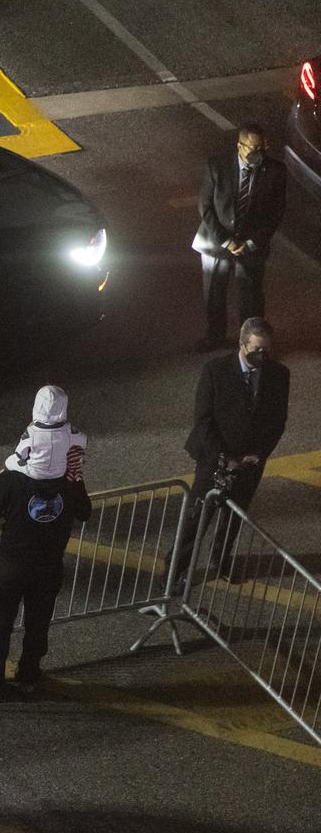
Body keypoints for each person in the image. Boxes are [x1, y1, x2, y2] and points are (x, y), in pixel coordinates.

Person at [0, 418, 95, 701]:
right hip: (49, 565)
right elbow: (85, 512)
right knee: (38, 625)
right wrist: (76, 479)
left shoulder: (12, 479)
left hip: (12, 566)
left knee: (0, 624)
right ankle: (29, 676)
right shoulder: (69, 482)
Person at [176, 318, 290, 583]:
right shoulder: (216, 371)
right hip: (215, 460)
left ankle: (221, 561)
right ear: (242, 344)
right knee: (198, 518)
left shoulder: (279, 374)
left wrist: (258, 453)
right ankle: (175, 570)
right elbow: (203, 421)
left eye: (266, 350)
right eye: (256, 349)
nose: (262, 356)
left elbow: (277, 421)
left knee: (234, 516)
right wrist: (224, 458)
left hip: (250, 462)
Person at [194, 123, 287, 349]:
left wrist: (252, 242)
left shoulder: (276, 171)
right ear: (240, 146)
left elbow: (276, 213)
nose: (259, 153)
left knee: (252, 298)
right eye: (253, 149)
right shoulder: (217, 166)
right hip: (217, 241)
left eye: (262, 148)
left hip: (251, 245)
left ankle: (251, 344)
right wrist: (226, 241)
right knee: (214, 294)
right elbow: (205, 207)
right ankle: (215, 337)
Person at [5, 385, 87, 482]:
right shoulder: (69, 431)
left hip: (35, 472)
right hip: (59, 472)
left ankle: (4, 476)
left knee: (9, 461)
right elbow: (84, 441)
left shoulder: (31, 432)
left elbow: (20, 454)